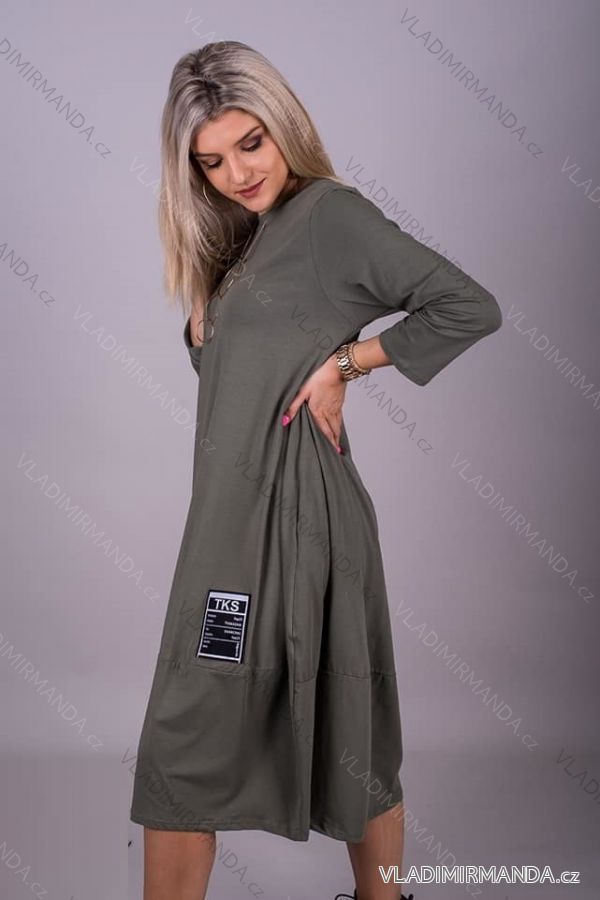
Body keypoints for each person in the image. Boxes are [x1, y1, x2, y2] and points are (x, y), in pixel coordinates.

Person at [129, 39, 502, 900]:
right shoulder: (248, 241)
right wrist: (209, 307)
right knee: (323, 724)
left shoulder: (331, 217)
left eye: (251, 143)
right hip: (229, 530)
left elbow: (468, 306)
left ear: (283, 124)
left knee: (217, 740)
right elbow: (241, 382)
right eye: (211, 161)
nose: (237, 173)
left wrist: (347, 364)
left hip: (298, 524)